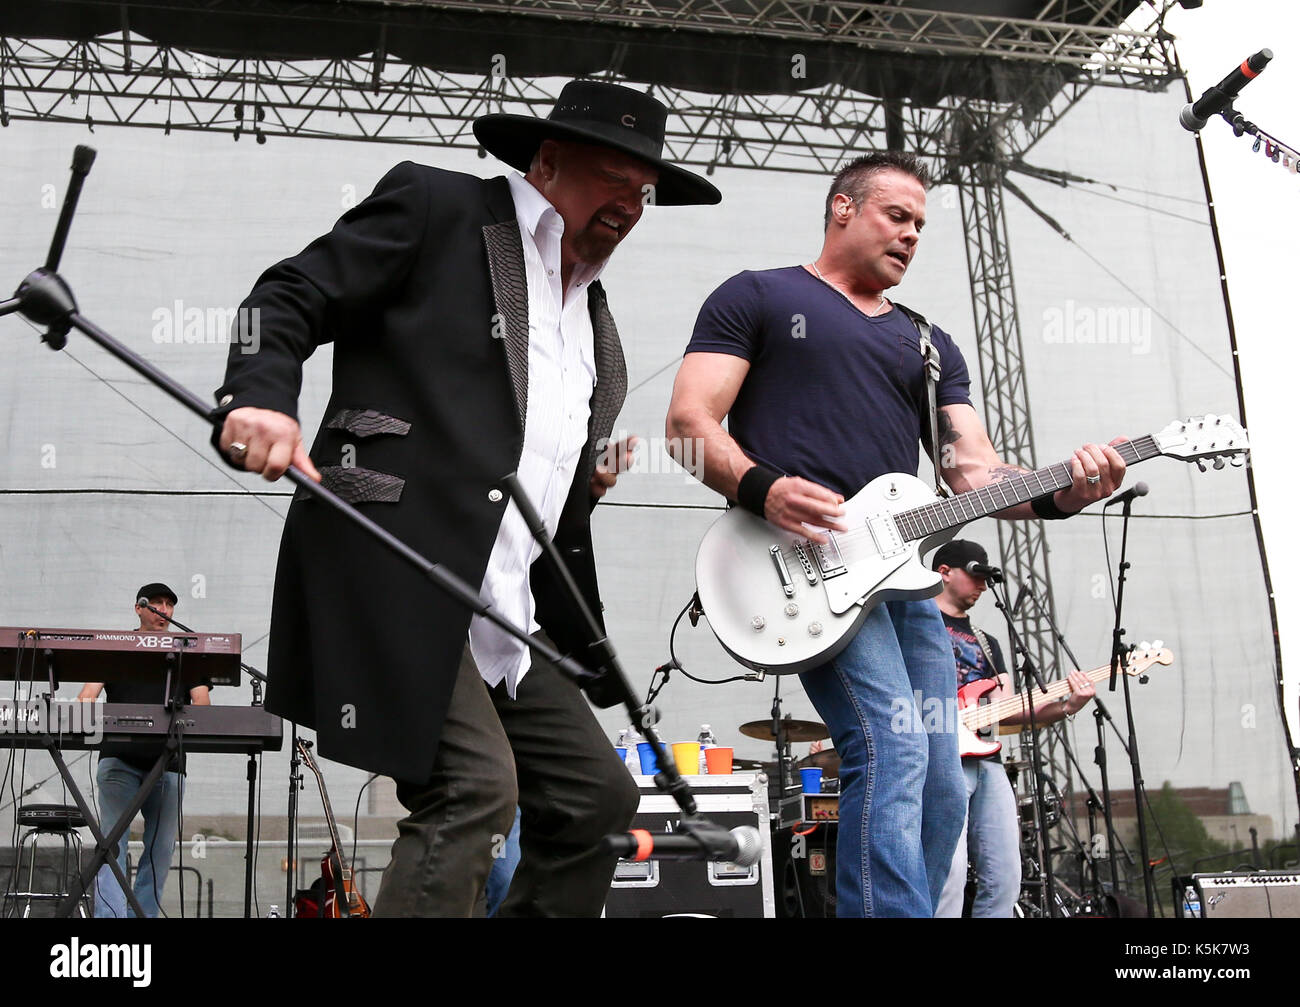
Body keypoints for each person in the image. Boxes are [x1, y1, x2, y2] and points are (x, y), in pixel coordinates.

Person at [212, 80, 721, 917]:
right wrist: (258, 397)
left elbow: (534, 496)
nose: (631, 204)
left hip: (502, 608)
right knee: (473, 788)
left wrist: (578, 496)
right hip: (392, 557)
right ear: (547, 161)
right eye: (611, 177)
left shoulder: (595, 325)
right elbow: (286, 294)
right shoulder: (439, 207)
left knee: (598, 803)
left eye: (645, 192)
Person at [664, 151, 1125, 916]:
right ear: (842, 207)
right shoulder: (759, 296)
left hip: (904, 581)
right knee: (891, 746)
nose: (912, 235)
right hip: (798, 563)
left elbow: (971, 474)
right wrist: (764, 486)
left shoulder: (929, 343)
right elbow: (686, 425)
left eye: (920, 225)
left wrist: (1066, 492)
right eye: (897, 215)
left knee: (944, 771)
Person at [930, 539, 1095, 918]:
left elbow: (1007, 711)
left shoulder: (987, 643)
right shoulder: (915, 625)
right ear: (945, 573)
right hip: (939, 760)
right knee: (948, 875)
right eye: (976, 576)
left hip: (987, 761)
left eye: (988, 579)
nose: (984, 586)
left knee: (1005, 875)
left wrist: (1067, 706)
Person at [77, 583, 209, 918]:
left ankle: (143, 917)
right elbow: (85, 698)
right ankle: (110, 920)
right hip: (119, 760)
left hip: (168, 764)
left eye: (170, 605)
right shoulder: (116, 647)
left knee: (159, 850)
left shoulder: (186, 651)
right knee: (112, 844)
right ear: (139, 608)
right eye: (157, 604)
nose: (164, 610)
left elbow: (203, 705)